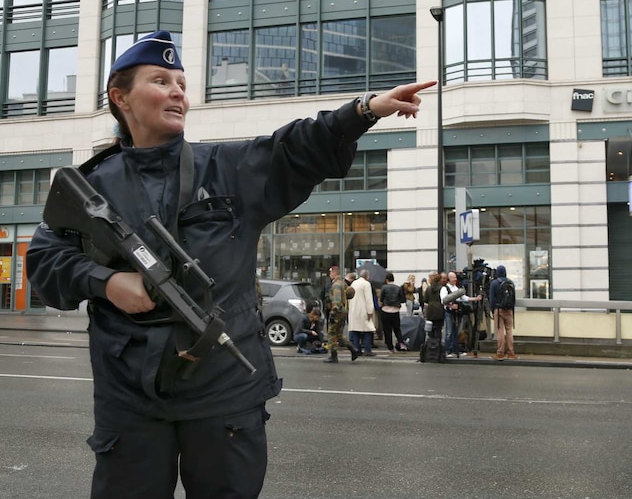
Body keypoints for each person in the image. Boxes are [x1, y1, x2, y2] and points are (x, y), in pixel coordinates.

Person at [24, 30, 434, 498]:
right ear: (121, 98)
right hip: (129, 395)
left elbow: (295, 146)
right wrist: (106, 280)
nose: (178, 91)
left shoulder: (225, 166)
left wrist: (362, 111)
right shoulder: (91, 186)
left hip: (225, 388)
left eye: (181, 82)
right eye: (161, 81)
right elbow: (45, 257)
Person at [325, 266, 360, 363]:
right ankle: (353, 350)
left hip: (337, 312)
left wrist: (332, 314)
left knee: (331, 334)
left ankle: (333, 356)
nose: (330, 275)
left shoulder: (336, 285)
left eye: (331, 273)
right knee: (339, 335)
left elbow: (337, 301)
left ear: (334, 273)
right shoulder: (343, 283)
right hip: (343, 312)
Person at [442, 271, 481, 358]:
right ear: (449, 279)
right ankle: (447, 351)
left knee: (456, 331)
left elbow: (464, 298)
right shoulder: (444, 289)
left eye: (455, 277)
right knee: (448, 332)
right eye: (453, 278)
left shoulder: (456, 288)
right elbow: (443, 301)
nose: (455, 279)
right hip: (449, 313)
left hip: (457, 313)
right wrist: (451, 306)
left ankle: (455, 350)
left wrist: (475, 299)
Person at [488, 264, 517, 360]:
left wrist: (492, 310)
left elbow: (492, 299)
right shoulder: (511, 282)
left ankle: (500, 353)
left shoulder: (494, 283)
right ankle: (511, 353)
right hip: (509, 310)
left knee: (500, 330)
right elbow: (513, 298)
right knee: (509, 331)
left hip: (498, 309)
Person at [348, 269, 377, 356]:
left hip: (353, 310)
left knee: (356, 330)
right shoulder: (366, 284)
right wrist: (370, 311)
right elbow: (368, 299)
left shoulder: (354, 283)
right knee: (368, 329)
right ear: (367, 276)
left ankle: (357, 349)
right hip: (363, 310)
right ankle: (367, 349)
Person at [380, 272, 408, 352]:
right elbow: (402, 299)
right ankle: (401, 343)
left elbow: (382, 299)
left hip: (386, 310)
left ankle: (390, 347)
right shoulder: (398, 288)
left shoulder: (384, 287)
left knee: (387, 330)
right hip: (395, 310)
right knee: (397, 329)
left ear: (386, 280)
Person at [423, 272, 445, 339]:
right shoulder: (442, 288)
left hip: (430, 310)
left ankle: (431, 344)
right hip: (439, 310)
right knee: (438, 329)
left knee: (430, 329)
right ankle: (437, 345)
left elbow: (425, 299)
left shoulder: (429, 288)